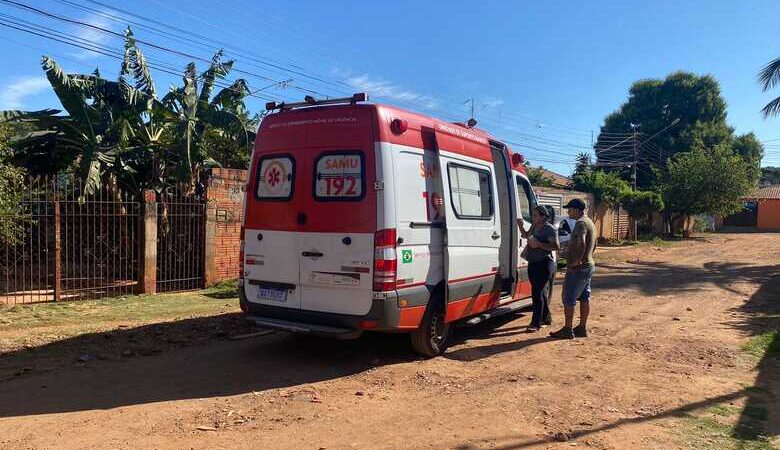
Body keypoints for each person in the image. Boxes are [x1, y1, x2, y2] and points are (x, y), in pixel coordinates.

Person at [550, 198, 596, 340]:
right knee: (584, 297)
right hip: (589, 265)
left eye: (569, 209)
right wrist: (587, 256)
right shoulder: (590, 222)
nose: (568, 211)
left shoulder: (581, 223)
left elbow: (581, 241)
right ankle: (582, 327)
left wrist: (576, 261)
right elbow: (593, 244)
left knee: (569, 297)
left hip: (579, 267)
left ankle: (567, 329)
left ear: (577, 210)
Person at [517, 205, 559, 332]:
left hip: (544, 263)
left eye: (535, 215)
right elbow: (526, 236)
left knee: (537, 293)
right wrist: (520, 226)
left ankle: (536, 323)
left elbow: (556, 246)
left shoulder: (549, 229)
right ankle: (546, 318)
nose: (533, 217)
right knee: (540, 292)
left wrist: (539, 244)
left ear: (543, 216)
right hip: (533, 262)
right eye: (533, 215)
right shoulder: (535, 226)